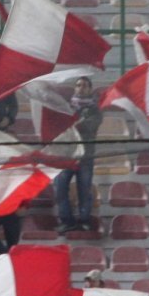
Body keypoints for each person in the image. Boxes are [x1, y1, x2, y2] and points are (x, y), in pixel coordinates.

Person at [52, 76, 103, 234]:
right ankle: (66, 221)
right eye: (78, 85)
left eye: (85, 85)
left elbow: (89, 127)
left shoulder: (95, 109)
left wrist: (74, 124)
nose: (81, 88)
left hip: (85, 156)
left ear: (90, 89)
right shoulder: (66, 107)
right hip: (66, 156)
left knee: (84, 190)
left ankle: (84, 221)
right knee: (60, 188)